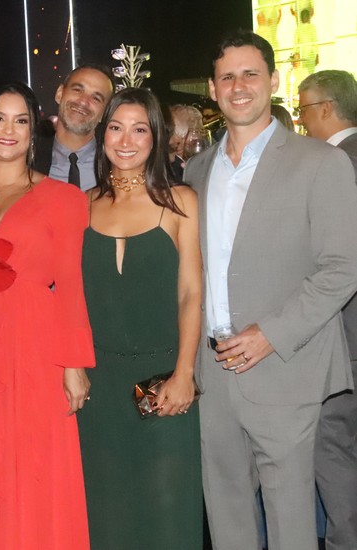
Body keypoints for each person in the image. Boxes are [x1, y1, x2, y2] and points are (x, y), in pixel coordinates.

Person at [183, 30, 357, 550]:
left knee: (291, 524)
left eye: (250, 74)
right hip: (212, 374)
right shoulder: (195, 171)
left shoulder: (320, 162)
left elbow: (343, 267)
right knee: (227, 517)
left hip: (285, 368)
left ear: (274, 81)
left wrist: (272, 334)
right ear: (212, 89)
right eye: (227, 77)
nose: (238, 86)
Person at [0, 82, 94, 550]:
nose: (8, 129)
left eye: (21, 120)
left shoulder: (64, 199)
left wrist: (73, 365)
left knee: (34, 463)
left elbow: (71, 284)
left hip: (34, 344)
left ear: (35, 132)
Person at [77, 88, 203, 549]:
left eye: (139, 129)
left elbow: (191, 294)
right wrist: (72, 368)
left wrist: (184, 374)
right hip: (98, 385)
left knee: (168, 513)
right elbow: (68, 297)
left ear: (156, 138)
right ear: (102, 134)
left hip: (162, 379)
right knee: (107, 514)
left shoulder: (180, 202)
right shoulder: (81, 204)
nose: (126, 141)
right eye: (116, 128)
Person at [298, 69, 357, 550]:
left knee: (332, 445)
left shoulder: (332, 166)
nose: (300, 122)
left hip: (343, 335)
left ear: (324, 109)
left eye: (302, 111)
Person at [34, 64, 115, 190]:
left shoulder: (115, 165)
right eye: (77, 90)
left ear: (105, 112)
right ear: (60, 94)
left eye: (96, 98)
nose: (83, 101)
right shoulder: (28, 161)